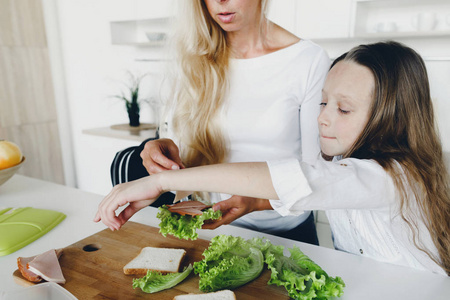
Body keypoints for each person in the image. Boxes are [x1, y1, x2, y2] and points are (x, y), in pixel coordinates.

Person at [95, 41, 450, 275]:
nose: (323, 117)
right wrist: (253, 202)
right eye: (323, 102)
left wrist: (159, 181)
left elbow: (297, 178)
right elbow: (312, 186)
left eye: (343, 108)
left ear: (392, 116)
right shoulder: (343, 163)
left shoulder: (393, 177)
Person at [133, 0, 330, 244]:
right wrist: (160, 148)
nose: (220, 1)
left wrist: (257, 201)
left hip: (282, 232)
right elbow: (180, 142)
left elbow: (317, 173)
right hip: (205, 228)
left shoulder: (308, 60)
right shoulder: (194, 55)